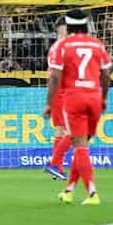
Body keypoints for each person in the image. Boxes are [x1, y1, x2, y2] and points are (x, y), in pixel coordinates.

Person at [46, 12, 113, 206]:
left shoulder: (63, 46)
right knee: (82, 145)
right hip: (94, 97)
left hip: (73, 97)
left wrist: (49, 102)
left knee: (79, 144)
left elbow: (55, 76)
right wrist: (104, 97)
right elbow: (106, 74)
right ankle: (68, 190)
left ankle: (92, 193)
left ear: (68, 26)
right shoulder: (97, 44)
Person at [44, 22, 74, 181]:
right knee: (72, 131)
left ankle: (58, 167)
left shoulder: (56, 47)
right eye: (66, 30)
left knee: (60, 130)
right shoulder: (62, 47)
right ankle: (55, 164)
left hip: (58, 91)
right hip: (63, 91)